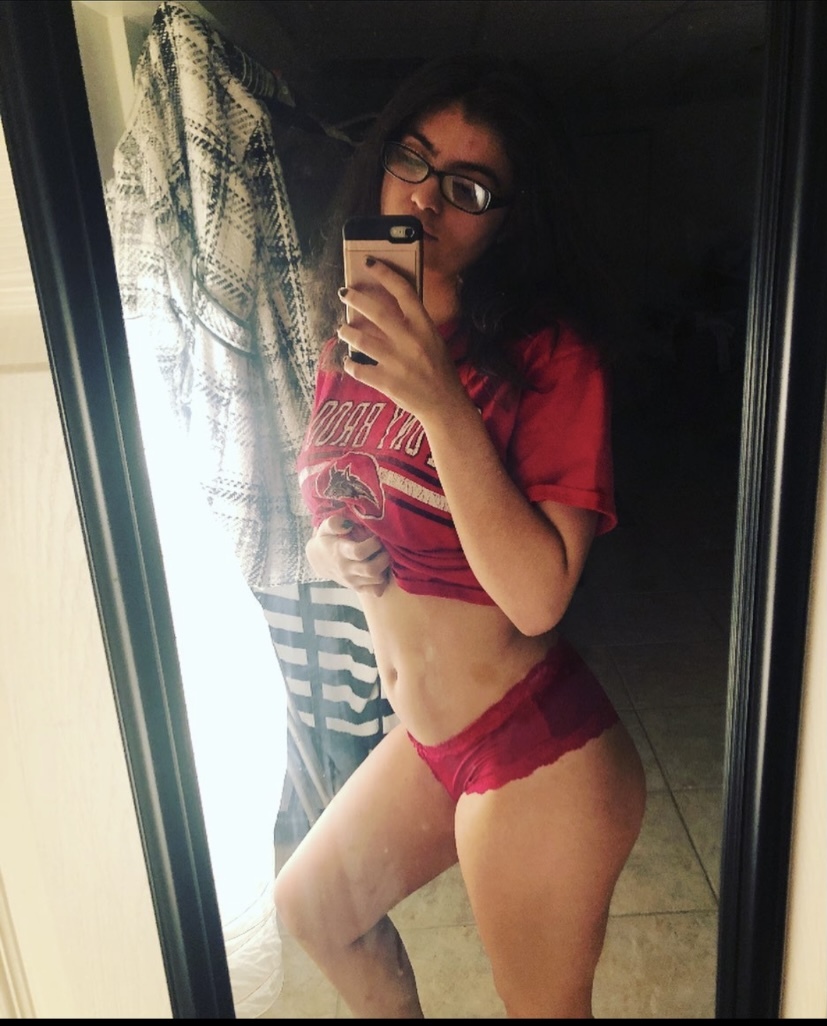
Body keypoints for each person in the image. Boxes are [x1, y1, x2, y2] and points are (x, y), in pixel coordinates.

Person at [273, 54, 646, 1019]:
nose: (424, 198)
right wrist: (329, 556)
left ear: (508, 220)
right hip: (429, 739)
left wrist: (440, 399)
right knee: (314, 910)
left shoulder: (550, 357)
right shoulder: (350, 339)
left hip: (534, 744)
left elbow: (537, 596)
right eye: (411, 158)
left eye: (468, 187)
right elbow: (333, 512)